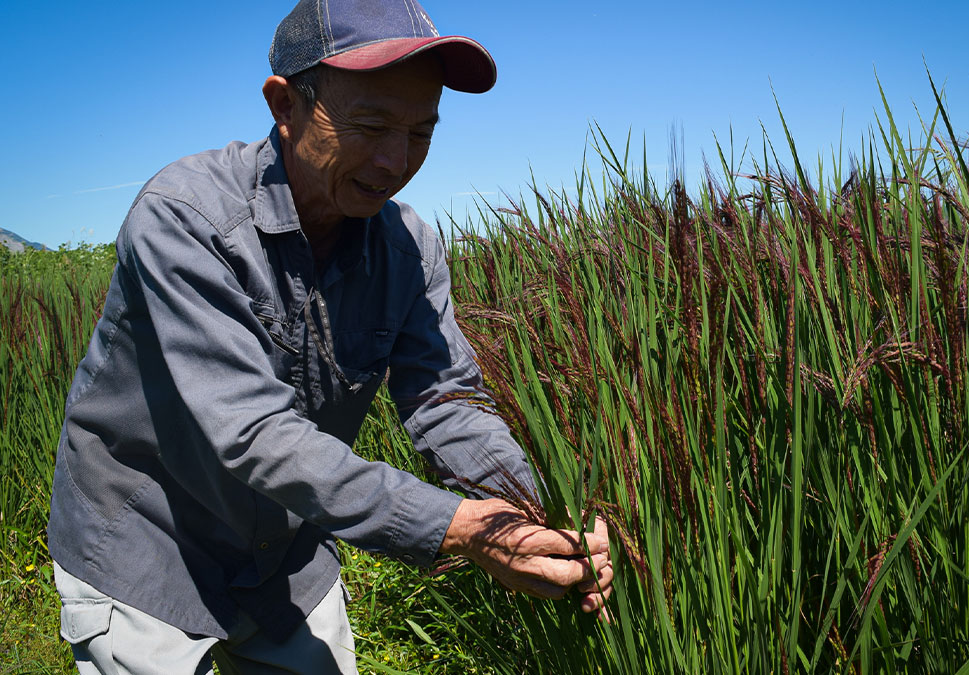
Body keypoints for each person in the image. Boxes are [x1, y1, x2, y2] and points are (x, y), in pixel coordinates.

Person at [46, 0, 613, 671]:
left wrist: (532, 513)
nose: (395, 161)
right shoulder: (186, 219)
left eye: (421, 133)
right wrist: (460, 528)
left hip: (286, 554)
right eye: (370, 124)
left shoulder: (408, 249)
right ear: (285, 105)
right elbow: (253, 434)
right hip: (151, 546)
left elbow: (445, 400)